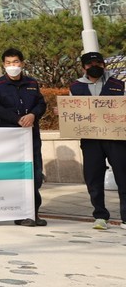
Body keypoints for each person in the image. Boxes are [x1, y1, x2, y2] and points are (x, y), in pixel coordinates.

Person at [69, 52, 126, 230]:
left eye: (98, 63)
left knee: (123, 177)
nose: (95, 66)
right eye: (90, 63)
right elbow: (71, 113)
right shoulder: (76, 87)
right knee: (93, 178)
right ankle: (100, 215)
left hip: (116, 139)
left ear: (104, 65)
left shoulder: (119, 84)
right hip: (90, 141)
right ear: (83, 67)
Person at [0, 48, 46, 227]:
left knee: (36, 174)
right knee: (18, 175)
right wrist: (17, 119)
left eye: (15, 62)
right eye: (8, 63)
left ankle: (34, 213)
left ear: (22, 63)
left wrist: (33, 115)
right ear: (3, 65)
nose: (12, 66)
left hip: (31, 135)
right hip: (11, 136)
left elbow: (41, 103)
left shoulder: (32, 82)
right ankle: (21, 214)